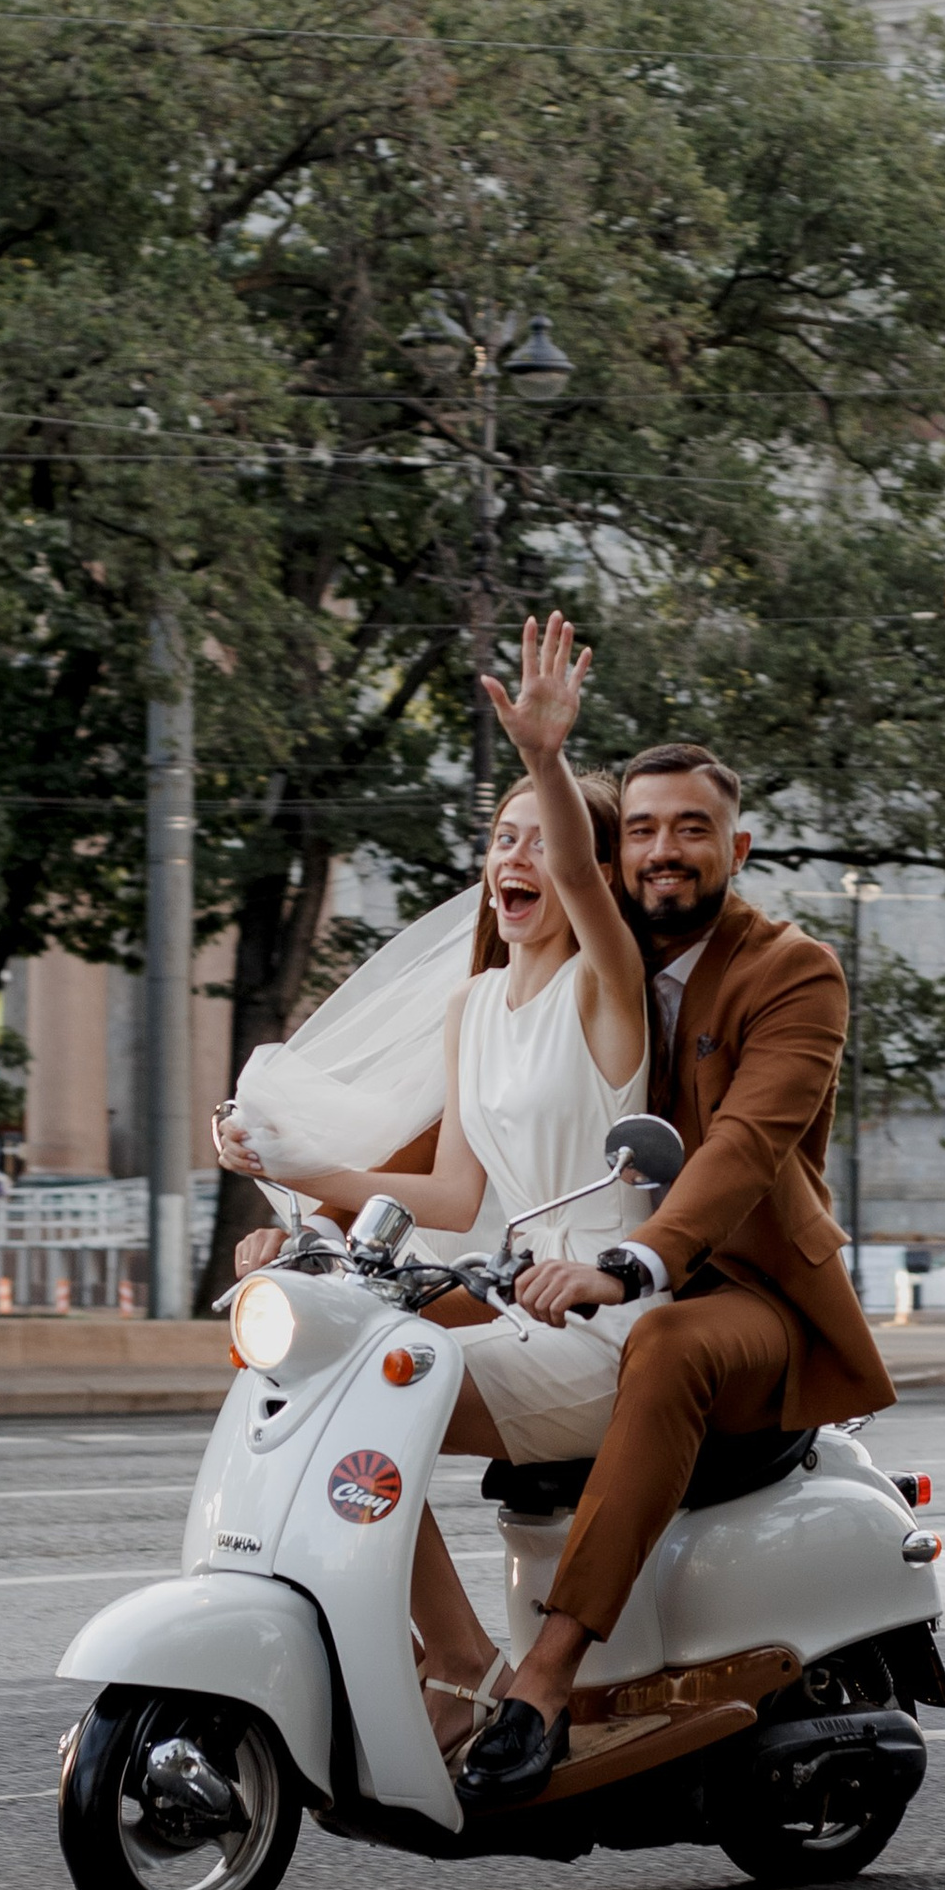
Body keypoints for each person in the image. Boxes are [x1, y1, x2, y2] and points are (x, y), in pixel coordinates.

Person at [217, 614, 652, 1757]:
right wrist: (294, 1177)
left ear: (589, 877)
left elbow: (573, 861)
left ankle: (461, 1664)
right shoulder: (474, 1008)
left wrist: (546, 762)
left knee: (367, 1409)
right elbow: (455, 1195)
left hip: (608, 1324)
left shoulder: (608, 992)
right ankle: (443, 1654)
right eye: (499, 840)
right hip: (520, 1311)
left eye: (540, 846)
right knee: (328, 1391)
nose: (516, 860)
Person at [455, 740, 896, 1806]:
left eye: (691, 830)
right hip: (584, 1283)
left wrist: (634, 1264)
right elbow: (457, 1140)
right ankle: (451, 1671)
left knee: (664, 1342)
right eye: (641, 830)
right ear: (612, 860)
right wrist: (309, 1225)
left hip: (747, 1300)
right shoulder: (573, 979)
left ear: (735, 848)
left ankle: (546, 1682)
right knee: (378, 1358)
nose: (664, 851)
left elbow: (743, 1146)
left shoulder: (790, 971)